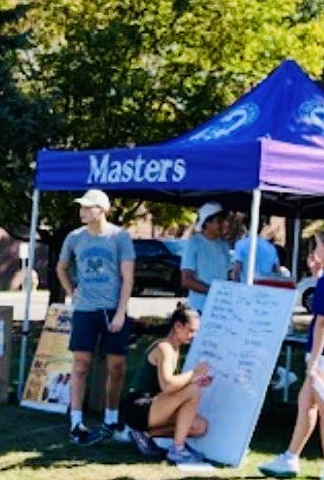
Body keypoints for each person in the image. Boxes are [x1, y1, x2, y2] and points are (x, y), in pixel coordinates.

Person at [260, 226, 324, 480]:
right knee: (306, 400)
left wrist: (313, 360)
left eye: (318, 244)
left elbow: (322, 322)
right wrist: (318, 275)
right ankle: (291, 457)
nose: (315, 250)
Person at [56, 189, 136, 445]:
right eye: (81, 207)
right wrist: (71, 291)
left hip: (113, 310)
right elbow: (61, 267)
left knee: (116, 367)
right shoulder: (74, 238)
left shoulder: (119, 236)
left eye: (88, 207)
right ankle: (76, 423)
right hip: (84, 311)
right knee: (80, 365)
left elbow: (128, 277)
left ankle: (111, 419)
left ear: (102, 210)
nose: (83, 211)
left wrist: (121, 312)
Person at [119, 306, 212, 465]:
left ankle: (143, 434)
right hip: (138, 405)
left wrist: (194, 379)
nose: (194, 336)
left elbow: (172, 386)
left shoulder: (174, 348)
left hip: (152, 405)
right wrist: (194, 374)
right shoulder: (165, 348)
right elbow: (168, 386)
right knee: (193, 390)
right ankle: (178, 449)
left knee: (199, 427)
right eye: (191, 331)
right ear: (177, 326)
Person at [181, 202, 232, 310]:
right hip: (199, 309)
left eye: (223, 221)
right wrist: (212, 291)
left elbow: (228, 276)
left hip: (221, 309)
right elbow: (186, 280)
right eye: (219, 221)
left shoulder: (224, 245)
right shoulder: (193, 243)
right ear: (207, 222)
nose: (223, 224)